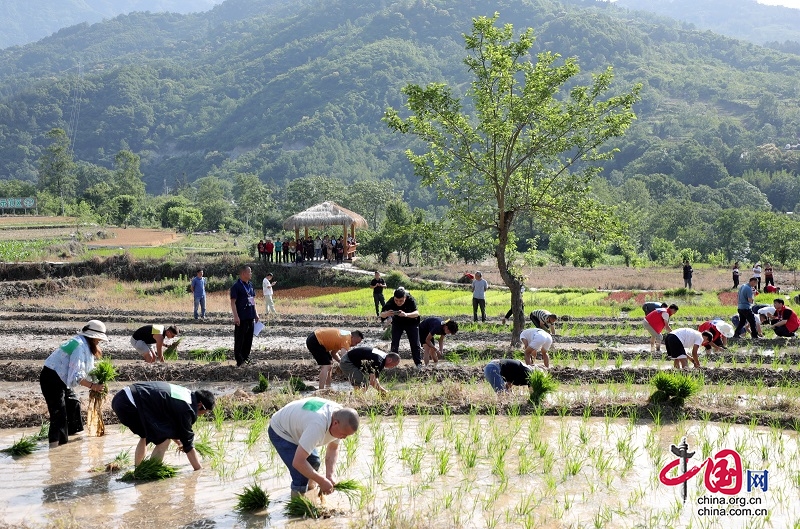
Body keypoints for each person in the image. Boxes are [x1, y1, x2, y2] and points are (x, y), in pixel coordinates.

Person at [111, 381, 214, 471]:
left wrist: (179, 442)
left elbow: (170, 426)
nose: (201, 415)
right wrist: (199, 470)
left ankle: (140, 471)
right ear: (200, 405)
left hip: (121, 397)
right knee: (163, 440)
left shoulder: (186, 394)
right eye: (204, 412)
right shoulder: (187, 409)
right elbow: (188, 442)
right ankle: (149, 471)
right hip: (129, 404)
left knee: (147, 436)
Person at [268, 398, 359, 498]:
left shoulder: (341, 417)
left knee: (314, 462)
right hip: (281, 430)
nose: (344, 437)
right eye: (343, 434)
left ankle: (311, 494)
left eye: (347, 435)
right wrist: (322, 480)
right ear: (335, 423)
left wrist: (329, 475)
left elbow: (333, 448)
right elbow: (298, 462)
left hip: (301, 426)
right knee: (300, 475)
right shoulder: (317, 425)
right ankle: (297, 509)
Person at [40, 320, 109, 448]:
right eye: (98, 340)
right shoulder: (79, 346)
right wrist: (93, 386)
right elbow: (77, 375)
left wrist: (98, 379)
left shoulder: (83, 343)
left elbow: (85, 370)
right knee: (58, 414)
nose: (99, 342)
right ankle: (55, 448)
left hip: (60, 376)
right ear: (92, 337)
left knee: (73, 404)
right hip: (51, 378)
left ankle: (73, 441)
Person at [380, 287, 422, 367]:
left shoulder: (410, 299)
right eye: (396, 300)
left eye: (401, 301)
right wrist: (387, 313)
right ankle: (393, 364)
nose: (398, 303)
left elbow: (417, 313)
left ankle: (418, 363)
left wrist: (406, 314)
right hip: (398, 323)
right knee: (395, 343)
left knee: (415, 343)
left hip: (411, 322)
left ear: (405, 298)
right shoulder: (391, 301)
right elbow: (381, 314)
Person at [230, 265, 259, 366]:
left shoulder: (250, 285)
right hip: (241, 317)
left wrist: (256, 313)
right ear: (243, 273)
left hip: (250, 315)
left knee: (248, 339)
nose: (251, 274)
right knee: (240, 339)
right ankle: (239, 359)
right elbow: (233, 302)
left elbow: (253, 300)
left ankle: (246, 358)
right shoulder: (236, 286)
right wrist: (236, 316)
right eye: (249, 272)